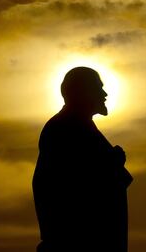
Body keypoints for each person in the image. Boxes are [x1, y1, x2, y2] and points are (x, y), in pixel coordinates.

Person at [32, 67, 133, 252]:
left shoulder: (78, 126)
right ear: (81, 92)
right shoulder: (66, 127)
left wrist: (112, 162)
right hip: (78, 243)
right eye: (98, 88)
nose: (104, 94)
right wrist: (113, 163)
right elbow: (76, 183)